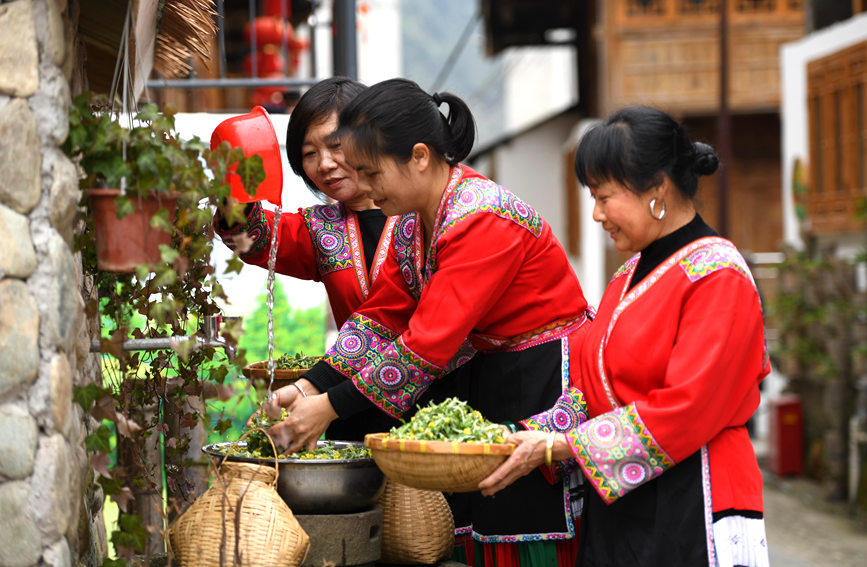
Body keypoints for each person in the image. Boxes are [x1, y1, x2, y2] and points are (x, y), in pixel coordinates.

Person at [266, 78, 592, 567]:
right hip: (497, 375)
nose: (366, 188)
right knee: (487, 525)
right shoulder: (415, 221)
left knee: (530, 531)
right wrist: (313, 387)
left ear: (419, 156)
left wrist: (328, 408)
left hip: (543, 376)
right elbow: (378, 320)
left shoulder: (482, 218)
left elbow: (425, 347)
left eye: (371, 173)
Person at [479, 105, 771, 567]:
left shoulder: (718, 276)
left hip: (693, 499)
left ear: (657, 188)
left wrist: (563, 446)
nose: (596, 214)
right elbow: (592, 392)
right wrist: (523, 437)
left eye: (604, 196)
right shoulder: (628, 275)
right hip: (620, 507)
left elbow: (688, 407)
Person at [214, 76, 405, 440]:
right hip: (352, 406)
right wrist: (238, 180)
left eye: (336, 145)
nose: (325, 164)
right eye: (309, 154)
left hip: (433, 397)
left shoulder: (420, 215)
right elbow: (253, 238)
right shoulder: (321, 229)